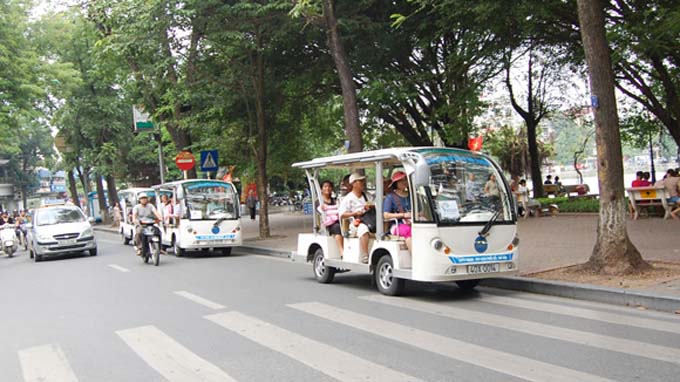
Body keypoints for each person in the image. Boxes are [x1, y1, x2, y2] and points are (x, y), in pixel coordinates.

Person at [338, 172, 373, 263]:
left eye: (363, 181)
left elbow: (374, 204)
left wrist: (370, 207)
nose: (363, 183)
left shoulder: (367, 195)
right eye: (360, 181)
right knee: (363, 229)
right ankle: (365, 255)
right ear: (353, 183)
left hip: (369, 219)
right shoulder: (348, 198)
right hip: (356, 222)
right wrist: (354, 213)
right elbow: (342, 214)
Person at [383, 171, 412, 251]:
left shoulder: (411, 196)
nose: (404, 182)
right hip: (396, 225)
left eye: (405, 180)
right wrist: (403, 215)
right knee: (408, 231)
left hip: (412, 222)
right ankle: (415, 257)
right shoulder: (390, 197)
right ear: (396, 183)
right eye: (401, 180)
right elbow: (386, 215)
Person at [317, 180, 343, 256]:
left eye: (329, 186)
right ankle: (341, 251)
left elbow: (340, 210)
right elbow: (322, 212)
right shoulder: (319, 201)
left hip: (337, 220)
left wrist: (329, 209)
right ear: (321, 189)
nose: (327, 188)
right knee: (337, 227)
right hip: (327, 223)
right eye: (325, 186)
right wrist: (335, 210)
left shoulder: (335, 200)